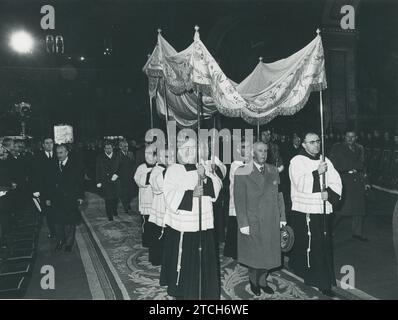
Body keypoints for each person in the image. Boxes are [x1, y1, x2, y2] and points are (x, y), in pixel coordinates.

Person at [160, 138, 223, 299]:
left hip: (203, 223)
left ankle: (205, 289)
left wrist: (205, 177)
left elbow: (217, 187)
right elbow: (168, 194)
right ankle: (183, 290)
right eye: (185, 148)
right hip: (184, 224)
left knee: (203, 259)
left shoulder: (203, 168)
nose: (189, 152)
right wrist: (191, 194)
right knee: (186, 259)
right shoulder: (173, 170)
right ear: (179, 151)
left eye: (193, 148)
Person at [288, 132, 342, 297]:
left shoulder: (325, 160)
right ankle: (318, 280)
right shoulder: (297, 161)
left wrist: (330, 194)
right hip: (306, 209)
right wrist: (316, 173)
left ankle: (324, 277)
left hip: (322, 208)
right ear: (303, 144)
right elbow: (299, 183)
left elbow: (336, 181)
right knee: (313, 245)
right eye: (312, 142)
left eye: (318, 141)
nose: (316, 145)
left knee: (324, 244)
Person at [233, 141, 286, 296]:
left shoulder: (273, 170)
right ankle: (254, 280)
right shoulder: (242, 171)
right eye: (260, 151)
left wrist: (282, 216)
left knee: (269, 253)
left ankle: (263, 280)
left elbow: (279, 195)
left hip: (271, 218)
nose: (264, 154)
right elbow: (239, 199)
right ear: (253, 153)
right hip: (253, 219)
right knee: (255, 254)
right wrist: (243, 223)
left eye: (266, 151)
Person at [329, 130, 371, 241]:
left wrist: (366, 182)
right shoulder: (337, 147)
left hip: (358, 181)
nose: (350, 138)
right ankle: (329, 230)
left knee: (359, 210)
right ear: (344, 136)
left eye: (352, 136)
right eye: (348, 136)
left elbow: (364, 166)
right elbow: (331, 166)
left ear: (356, 137)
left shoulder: (360, 148)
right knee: (341, 209)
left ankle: (357, 233)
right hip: (344, 181)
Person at [44, 144, 84, 252]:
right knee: (57, 222)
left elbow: (80, 182)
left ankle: (69, 244)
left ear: (67, 153)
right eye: (57, 153)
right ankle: (60, 241)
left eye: (61, 153)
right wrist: (48, 198)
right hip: (56, 199)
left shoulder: (75, 165)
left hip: (70, 198)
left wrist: (80, 196)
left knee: (69, 222)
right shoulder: (53, 165)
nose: (59, 155)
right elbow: (49, 183)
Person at [224, 139, 250, 260]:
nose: (248, 149)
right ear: (239, 150)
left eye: (249, 147)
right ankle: (233, 252)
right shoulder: (236, 164)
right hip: (237, 198)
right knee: (236, 224)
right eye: (244, 147)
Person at [32, 137, 58, 238]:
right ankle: (53, 231)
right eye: (46, 143)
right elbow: (34, 174)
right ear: (43, 145)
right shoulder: (37, 156)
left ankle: (59, 230)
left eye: (51, 143)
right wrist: (35, 189)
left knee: (58, 209)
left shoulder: (57, 154)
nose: (49, 145)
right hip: (44, 189)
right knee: (48, 211)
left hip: (57, 188)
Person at [147, 147, 169, 266]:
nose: (168, 159)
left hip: (170, 206)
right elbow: (156, 186)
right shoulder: (157, 169)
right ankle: (157, 258)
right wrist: (166, 172)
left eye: (170, 156)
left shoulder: (173, 168)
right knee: (158, 234)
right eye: (166, 156)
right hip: (160, 205)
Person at [134, 143, 157, 248]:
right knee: (146, 221)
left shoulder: (159, 166)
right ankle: (146, 241)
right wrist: (150, 174)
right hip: (146, 199)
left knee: (156, 222)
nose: (149, 156)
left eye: (152, 154)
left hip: (157, 200)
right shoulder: (141, 167)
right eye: (147, 154)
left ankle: (155, 240)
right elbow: (139, 181)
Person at [96, 141, 121, 221]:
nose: (108, 149)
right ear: (104, 149)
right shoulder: (100, 157)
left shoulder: (117, 156)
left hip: (116, 180)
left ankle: (114, 209)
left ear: (112, 148)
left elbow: (121, 167)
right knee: (108, 198)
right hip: (105, 181)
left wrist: (117, 174)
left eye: (109, 148)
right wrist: (98, 181)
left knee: (115, 198)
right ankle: (109, 214)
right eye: (106, 148)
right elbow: (98, 170)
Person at [117, 140, 135, 213]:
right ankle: (126, 206)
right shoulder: (117, 155)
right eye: (124, 146)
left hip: (130, 176)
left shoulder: (131, 154)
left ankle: (128, 203)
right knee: (123, 192)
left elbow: (134, 163)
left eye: (127, 146)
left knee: (130, 192)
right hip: (121, 177)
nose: (126, 148)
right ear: (120, 147)